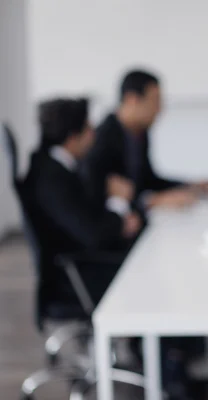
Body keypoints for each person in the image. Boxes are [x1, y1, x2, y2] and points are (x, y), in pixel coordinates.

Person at [25, 98, 141, 304]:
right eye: (88, 128)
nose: (93, 135)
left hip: (80, 265)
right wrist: (119, 205)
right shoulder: (52, 178)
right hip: (77, 277)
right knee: (147, 270)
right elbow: (92, 234)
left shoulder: (53, 166)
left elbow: (85, 217)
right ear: (72, 137)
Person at [82, 69, 208, 212]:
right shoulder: (100, 139)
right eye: (155, 101)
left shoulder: (139, 133)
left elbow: (148, 180)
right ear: (132, 99)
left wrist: (192, 186)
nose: (159, 109)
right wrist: (152, 201)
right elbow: (98, 196)